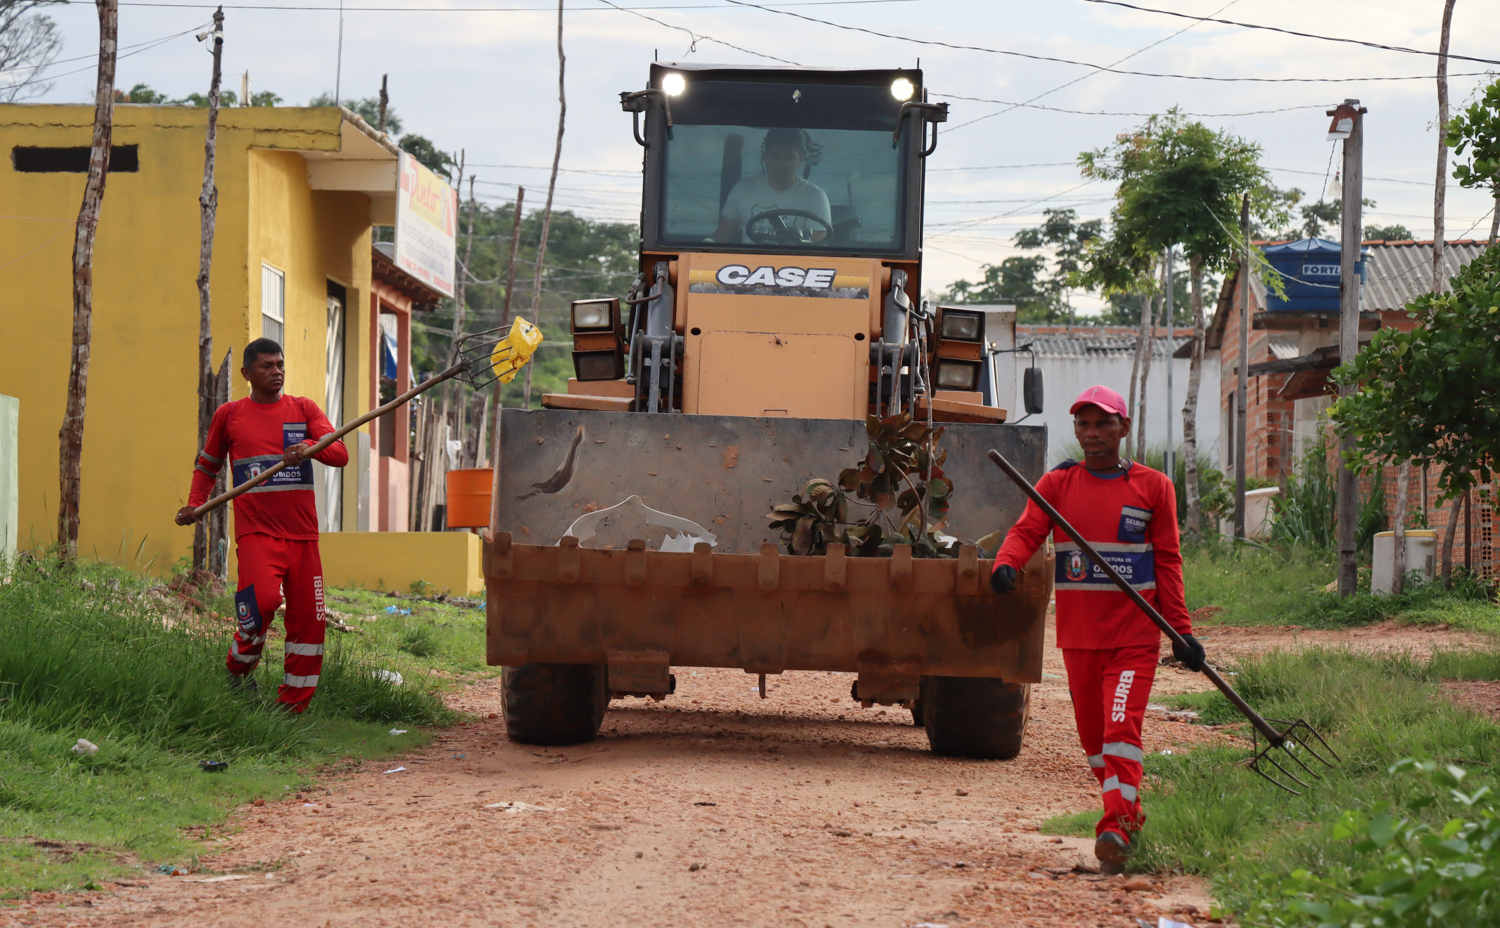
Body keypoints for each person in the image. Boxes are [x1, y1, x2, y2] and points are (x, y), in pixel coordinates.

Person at [988, 385, 1204, 874]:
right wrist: (1007, 563)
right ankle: (1129, 819)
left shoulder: (1154, 487)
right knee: (1095, 746)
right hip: (1078, 639)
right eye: (1084, 424)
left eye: (1103, 423)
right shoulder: (1058, 485)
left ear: (1123, 428)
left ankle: (1114, 830)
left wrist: (1181, 633)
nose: (1092, 434)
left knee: (1120, 731)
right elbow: (1027, 531)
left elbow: (1168, 561)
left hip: (1133, 638)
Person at [176, 338, 348, 713]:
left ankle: (291, 709)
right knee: (261, 604)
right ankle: (239, 670)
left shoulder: (304, 410)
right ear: (247, 374)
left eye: (280, 365)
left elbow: (340, 454)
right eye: (267, 366)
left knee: (310, 625)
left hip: (304, 537)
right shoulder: (230, 415)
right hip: (257, 533)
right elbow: (207, 467)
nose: (277, 372)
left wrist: (309, 446)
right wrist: (194, 504)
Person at [712, 127, 832, 245]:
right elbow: (724, 234)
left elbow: (817, 244)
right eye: (775, 156)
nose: (782, 163)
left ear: (800, 159)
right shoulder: (743, 188)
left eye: (789, 157)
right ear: (765, 158)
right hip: (747, 260)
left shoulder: (815, 196)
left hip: (794, 260)